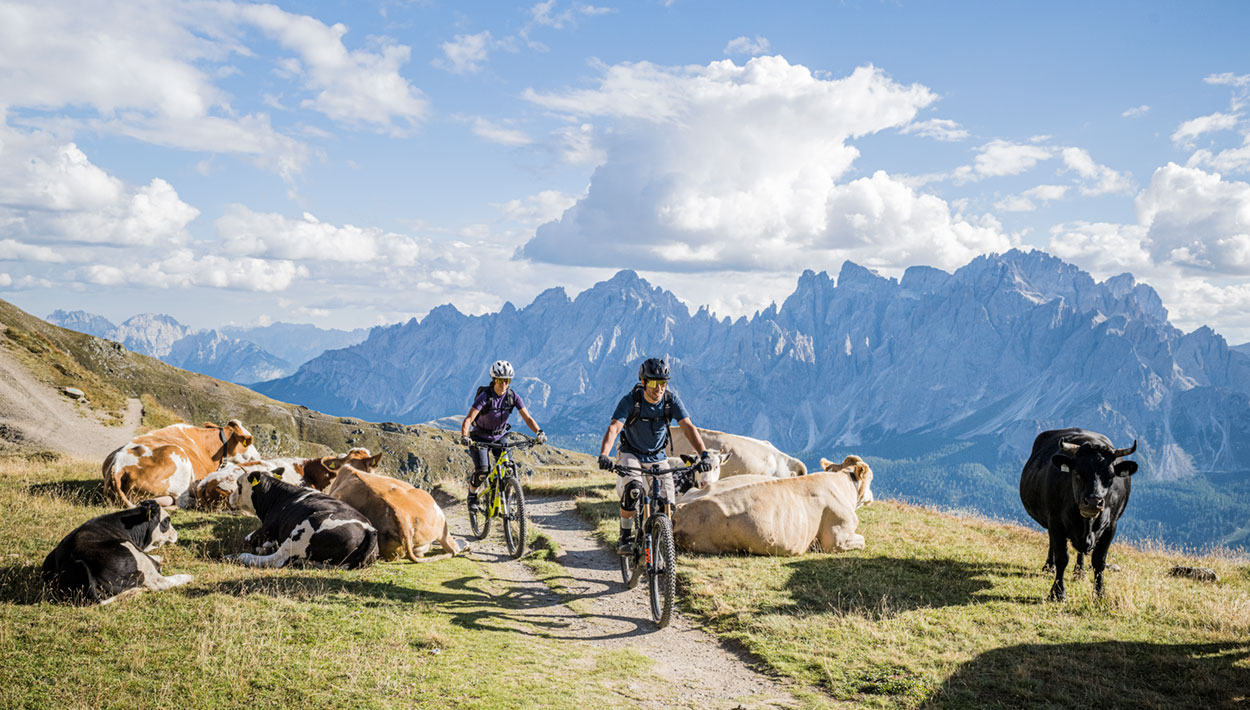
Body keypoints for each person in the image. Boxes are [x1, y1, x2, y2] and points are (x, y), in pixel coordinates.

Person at [598, 357, 713, 555]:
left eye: (663, 383)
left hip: (657, 456)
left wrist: (704, 454)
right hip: (630, 452)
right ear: (643, 382)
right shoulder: (631, 400)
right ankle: (625, 536)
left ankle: (659, 542)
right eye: (653, 383)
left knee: (668, 504)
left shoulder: (670, 401)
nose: (659, 388)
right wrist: (604, 455)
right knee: (633, 490)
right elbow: (614, 428)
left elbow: (688, 427)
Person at [460, 360, 546, 511]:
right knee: (483, 470)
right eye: (500, 380)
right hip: (480, 437)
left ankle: (506, 501)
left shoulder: (513, 397)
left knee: (510, 469)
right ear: (494, 380)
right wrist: (465, 436)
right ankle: (472, 495)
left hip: (500, 436)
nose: (504, 384)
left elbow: (528, 418)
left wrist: (539, 431)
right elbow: (469, 418)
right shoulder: (485, 396)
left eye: (507, 380)